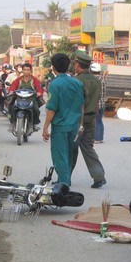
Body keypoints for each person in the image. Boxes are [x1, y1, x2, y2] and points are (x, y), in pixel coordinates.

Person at [42, 53, 84, 186]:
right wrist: (81, 124)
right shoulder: (77, 83)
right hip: (74, 125)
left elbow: (52, 109)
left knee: (60, 156)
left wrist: (45, 127)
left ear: (53, 67)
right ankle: (64, 181)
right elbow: (81, 105)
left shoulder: (54, 84)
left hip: (60, 126)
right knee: (69, 156)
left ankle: (64, 186)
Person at [71, 51, 106, 188]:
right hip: (91, 118)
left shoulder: (76, 81)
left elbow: (77, 103)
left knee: (71, 149)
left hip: (77, 120)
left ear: (78, 65)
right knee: (88, 148)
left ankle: (65, 178)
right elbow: (97, 102)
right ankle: (99, 177)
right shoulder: (97, 81)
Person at [7, 62, 43, 127]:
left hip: (31, 98)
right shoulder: (19, 79)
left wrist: (39, 92)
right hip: (19, 98)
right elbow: (13, 85)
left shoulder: (34, 79)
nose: (26, 71)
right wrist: (11, 91)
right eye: (24, 70)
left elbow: (39, 87)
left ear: (30, 71)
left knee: (36, 110)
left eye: (28, 70)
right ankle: (12, 123)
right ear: (22, 70)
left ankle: (34, 123)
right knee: (12, 108)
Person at [91, 62, 106, 143]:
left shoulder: (93, 79)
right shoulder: (102, 79)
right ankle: (100, 138)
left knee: (96, 121)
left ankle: (96, 138)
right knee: (100, 121)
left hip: (96, 104)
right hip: (102, 103)